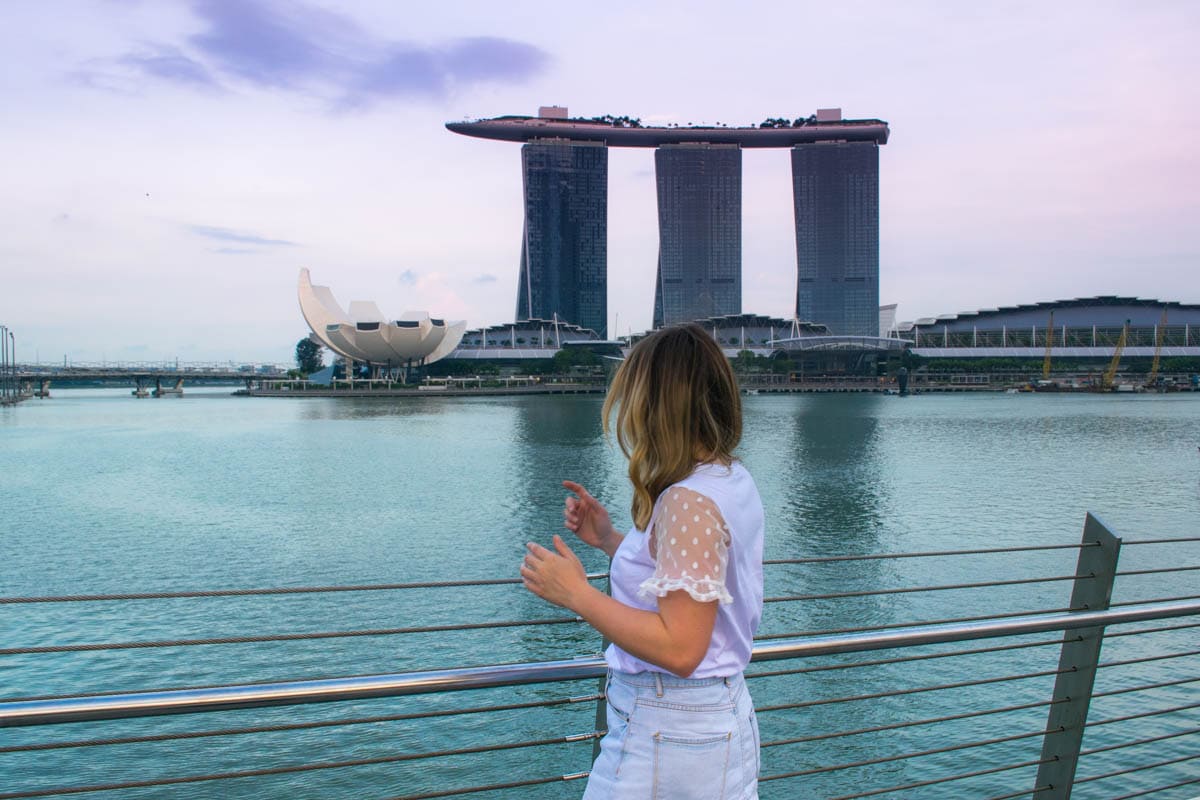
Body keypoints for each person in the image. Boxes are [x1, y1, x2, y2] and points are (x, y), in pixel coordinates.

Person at [520, 322, 765, 799]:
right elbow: (692, 583)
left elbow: (681, 648)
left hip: (670, 728)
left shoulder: (687, 501)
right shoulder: (728, 479)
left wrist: (578, 595)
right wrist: (611, 539)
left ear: (655, 406)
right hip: (710, 722)